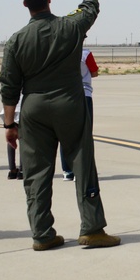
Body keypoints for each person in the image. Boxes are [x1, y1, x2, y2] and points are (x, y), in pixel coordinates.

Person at [0, 0, 120, 251]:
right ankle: (92, 228)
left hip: (33, 109)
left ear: (24, 5)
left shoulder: (17, 40)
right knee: (82, 162)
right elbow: (88, 10)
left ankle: (42, 233)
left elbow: (9, 86)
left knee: (36, 172)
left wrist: (9, 123)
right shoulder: (70, 26)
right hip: (69, 104)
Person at [60, 48, 99, 182]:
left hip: (65, 95)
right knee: (85, 134)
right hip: (84, 94)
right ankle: (82, 170)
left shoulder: (61, 51)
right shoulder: (85, 53)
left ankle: (67, 170)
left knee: (65, 133)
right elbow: (94, 73)